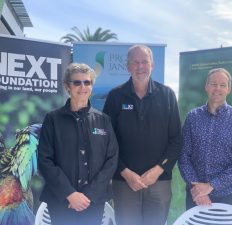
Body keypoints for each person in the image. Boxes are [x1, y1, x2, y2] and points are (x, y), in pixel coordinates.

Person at [103, 44, 182, 225]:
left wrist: (158, 170)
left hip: (159, 181)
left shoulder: (167, 95)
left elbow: (176, 140)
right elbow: (106, 140)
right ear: (128, 66)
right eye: (135, 62)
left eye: (144, 62)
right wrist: (125, 172)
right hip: (124, 182)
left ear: (152, 65)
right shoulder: (116, 97)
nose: (140, 67)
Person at [38, 63, 118, 225]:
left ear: (92, 86)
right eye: (77, 82)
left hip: (93, 201)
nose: (83, 87)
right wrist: (70, 194)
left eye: (87, 82)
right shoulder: (53, 119)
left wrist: (90, 195)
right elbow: (45, 160)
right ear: (67, 86)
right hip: (61, 200)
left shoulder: (104, 120)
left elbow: (112, 159)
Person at [178, 68, 232, 210]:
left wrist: (211, 186)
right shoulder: (192, 117)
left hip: (230, 196)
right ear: (206, 86)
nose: (217, 88)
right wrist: (198, 190)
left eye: (222, 85)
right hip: (197, 196)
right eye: (213, 84)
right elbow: (184, 157)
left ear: (229, 89)